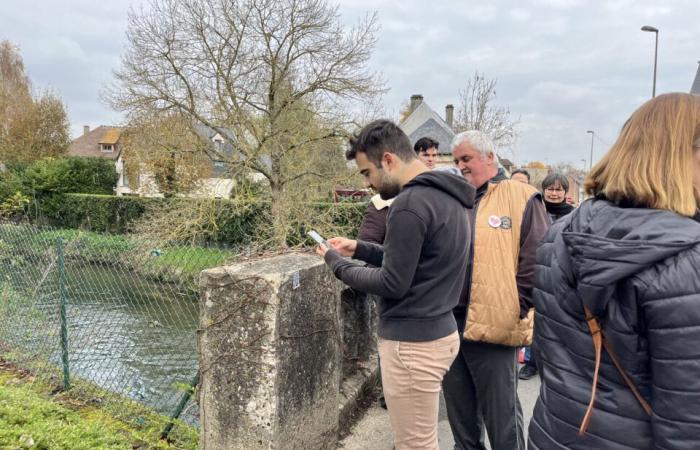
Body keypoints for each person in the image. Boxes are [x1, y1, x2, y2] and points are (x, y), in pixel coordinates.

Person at [529, 93, 700, 449]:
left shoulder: (558, 235)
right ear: (685, 157)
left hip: (556, 431)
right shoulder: (685, 257)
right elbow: (688, 422)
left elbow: (550, 358)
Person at [316, 119, 475, 449]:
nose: (368, 182)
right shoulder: (449, 197)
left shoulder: (409, 203)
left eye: (366, 172)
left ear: (388, 160)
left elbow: (393, 281)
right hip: (441, 331)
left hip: (413, 345)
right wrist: (360, 248)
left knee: (414, 444)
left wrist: (336, 264)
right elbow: (416, 260)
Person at [443, 130, 549, 450]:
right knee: (460, 416)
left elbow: (537, 259)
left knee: (502, 418)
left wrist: (516, 307)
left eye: (467, 159)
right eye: (457, 160)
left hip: (496, 324)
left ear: (489, 157)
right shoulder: (453, 198)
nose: (461, 166)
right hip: (449, 321)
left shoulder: (522, 196)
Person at [518, 171, 576, 381]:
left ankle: (559, 365)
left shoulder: (574, 215)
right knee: (536, 322)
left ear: (565, 192)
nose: (553, 193)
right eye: (550, 189)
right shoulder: (534, 210)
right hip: (535, 271)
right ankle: (532, 363)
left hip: (561, 274)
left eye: (558, 189)